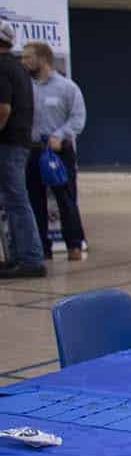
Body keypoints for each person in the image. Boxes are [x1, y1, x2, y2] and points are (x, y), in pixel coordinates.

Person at [22, 40, 87, 261]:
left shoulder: (67, 87)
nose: (24, 61)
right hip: (32, 151)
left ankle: (74, 245)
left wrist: (60, 135)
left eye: (27, 57)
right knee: (34, 200)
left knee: (66, 199)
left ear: (42, 59)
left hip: (59, 152)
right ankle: (41, 246)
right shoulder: (25, 87)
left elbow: (78, 118)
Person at [0, 19, 45, 279]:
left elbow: (3, 109)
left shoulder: (3, 67)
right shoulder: (17, 68)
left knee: (16, 201)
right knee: (12, 201)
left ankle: (29, 258)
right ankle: (19, 256)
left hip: (8, 144)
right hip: (18, 143)